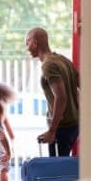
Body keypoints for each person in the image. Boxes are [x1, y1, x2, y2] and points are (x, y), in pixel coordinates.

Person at [25, 27, 79, 156]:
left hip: (62, 128)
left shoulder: (48, 65)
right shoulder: (63, 60)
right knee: (63, 170)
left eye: (27, 42)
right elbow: (81, 88)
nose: (26, 47)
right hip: (74, 125)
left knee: (57, 173)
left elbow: (61, 97)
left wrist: (52, 131)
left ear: (35, 42)